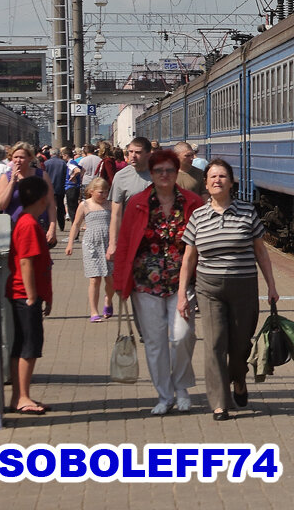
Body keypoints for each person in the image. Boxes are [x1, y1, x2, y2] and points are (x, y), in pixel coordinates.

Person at [178, 160, 278, 421]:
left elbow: (260, 251)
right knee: (214, 345)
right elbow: (189, 257)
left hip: (244, 286)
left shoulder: (247, 212)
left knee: (240, 345)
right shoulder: (198, 216)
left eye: (223, 176)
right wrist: (181, 294)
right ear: (206, 182)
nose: (217, 180)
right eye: (212, 176)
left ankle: (239, 379)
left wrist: (272, 285)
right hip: (209, 288)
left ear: (232, 182)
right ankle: (220, 402)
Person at [110, 149, 202, 415]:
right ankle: (164, 395)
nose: (164, 175)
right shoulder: (139, 202)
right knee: (155, 341)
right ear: (151, 174)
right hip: (144, 283)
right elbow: (126, 242)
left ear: (177, 173)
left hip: (181, 281)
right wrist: (119, 282)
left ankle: (182, 387)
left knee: (182, 335)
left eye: (169, 170)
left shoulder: (192, 202)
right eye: (159, 170)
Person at [6, 176, 52, 415]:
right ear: (42, 199)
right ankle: (21, 396)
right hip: (24, 294)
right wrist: (33, 296)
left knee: (22, 345)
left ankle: (20, 396)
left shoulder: (26, 221)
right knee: (29, 347)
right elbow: (26, 262)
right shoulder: (29, 225)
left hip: (23, 293)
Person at [65, 177, 115, 322]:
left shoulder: (110, 205)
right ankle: (94, 312)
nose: (104, 195)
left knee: (110, 279)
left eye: (106, 192)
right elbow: (75, 224)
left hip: (108, 243)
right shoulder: (85, 205)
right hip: (91, 244)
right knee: (95, 279)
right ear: (91, 191)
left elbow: (118, 222)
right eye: (101, 192)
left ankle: (108, 300)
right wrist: (70, 243)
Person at [0, 142, 56, 246]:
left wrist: (52, 227)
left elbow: (51, 204)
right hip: (14, 227)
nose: (18, 160)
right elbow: (0, 205)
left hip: (38, 226)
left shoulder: (41, 176)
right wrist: (12, 182)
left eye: (22, 157)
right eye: (15, 157)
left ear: (30, 158)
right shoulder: (6, 178)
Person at [107, 137, 152, 254]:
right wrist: (113, 244)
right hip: (130, 235)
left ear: (148, 154)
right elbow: (116, 214)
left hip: (155, 236)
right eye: (130, 152)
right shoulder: (121, 177)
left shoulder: (159, 174)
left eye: (138, 152)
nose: (133, 155)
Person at [43, 148, 68, 231]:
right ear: (58, 154)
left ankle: (49, 225)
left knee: (49, 206)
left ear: (50, 154)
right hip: (60, 187)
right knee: (60, 207)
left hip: (48, 188)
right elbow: (66, 175)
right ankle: (62, 225)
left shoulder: (46, 163)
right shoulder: (63, 163)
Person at [64, 148, 83, 223]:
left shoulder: (70, 163)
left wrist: (73, 177)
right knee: (74, 207)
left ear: (66, 155)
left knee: (72, 209)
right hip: (75, 187)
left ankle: (74, 226)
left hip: (71, 187)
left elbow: (77, 170)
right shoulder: (74, 162)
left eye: (63, 155)